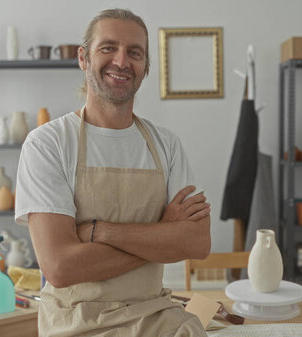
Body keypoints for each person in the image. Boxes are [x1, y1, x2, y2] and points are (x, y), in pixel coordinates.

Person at [15, 8, 211, 337]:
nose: (121, 61)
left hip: (154, 314)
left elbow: (196, 242)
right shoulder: (47, 144)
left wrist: (102, 231)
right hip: (75, 323)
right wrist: (161, 234)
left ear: (145, 68)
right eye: (108, 48)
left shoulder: (166, 144)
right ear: (83, 58)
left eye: (134, 52)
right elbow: (60, 267)